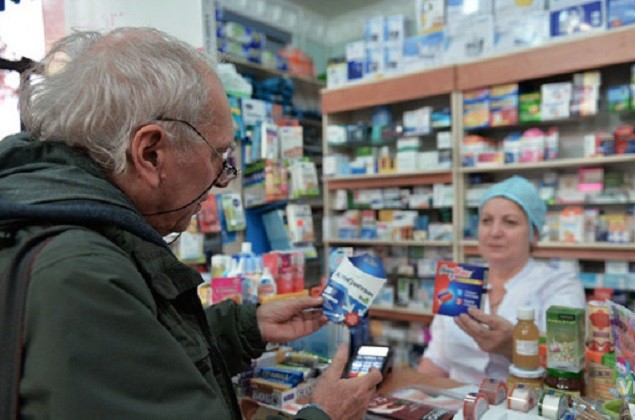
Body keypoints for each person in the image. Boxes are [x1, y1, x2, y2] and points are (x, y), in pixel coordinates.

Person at [0, 27, 381, 419]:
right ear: (150, 153)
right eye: (218, 156)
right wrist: (326, 414)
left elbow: (140, 357)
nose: (223, 179)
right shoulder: (81, 275)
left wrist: (245, 328)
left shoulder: (70, 231)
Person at [418, 175, 585, 384]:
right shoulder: (458, 281)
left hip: (524, 401)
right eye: (486, 221)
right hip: (456, 401)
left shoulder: (560, 285)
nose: (494, 232)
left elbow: (566, 367)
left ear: (534, 234)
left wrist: (513, 347)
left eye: (510, 222)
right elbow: (437, 360)